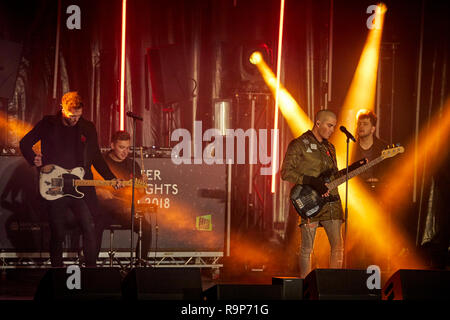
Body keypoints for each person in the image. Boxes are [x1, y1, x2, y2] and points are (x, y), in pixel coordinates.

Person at [19, 91, 120, 267]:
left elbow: (95, 156)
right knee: (58, 232)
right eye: (71, 116)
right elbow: (25, 142)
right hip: (55, 185)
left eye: (78, 116)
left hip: (79, 187)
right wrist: (32, 157)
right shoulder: (48, 124)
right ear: (63, 109)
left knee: (89, 226)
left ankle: (91, 270)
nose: (75, 120)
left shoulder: (87, 127)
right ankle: (57, 273)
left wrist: (110, 177)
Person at [281, 110, 364, 278]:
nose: (332, 130)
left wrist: (356, 167)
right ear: (318, 123)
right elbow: (286, 173)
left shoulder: (330, 147)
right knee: (306, 248)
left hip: (332, 202)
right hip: (309, 201)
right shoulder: (299, 144)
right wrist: (311, 181)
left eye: (334, 126)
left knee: (338, 246)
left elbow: (333, 176)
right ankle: (306, 284)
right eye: (329, 125)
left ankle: (333, 284)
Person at [94, 130, 152, 263]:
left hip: (124, 210)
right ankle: (91, 266)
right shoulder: (100, 162)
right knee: (94, 225)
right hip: (103, 209)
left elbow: (139, 195)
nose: (125, 152)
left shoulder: (132, 165)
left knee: (146, 227)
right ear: (112, 145)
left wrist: (142, 187)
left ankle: (139, 265)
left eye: (128, 148)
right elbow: (87, 186)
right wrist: (98, 191)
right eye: (121, 147)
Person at [351, 110, 388, 187]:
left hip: (378, 190)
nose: (361, 126)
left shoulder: (383, 147)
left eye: (365, 124)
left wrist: (379, 180)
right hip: (355, 192)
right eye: (359, 124)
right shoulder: (350, 148)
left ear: (372, 129)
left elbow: (390, 172)